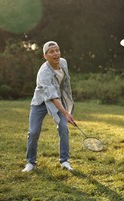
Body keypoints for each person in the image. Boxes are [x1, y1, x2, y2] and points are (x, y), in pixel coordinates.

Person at [22, 41, 76, 172]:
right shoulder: (44, 73)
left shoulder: (63, 63)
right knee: (33, 132)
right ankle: (31, 163)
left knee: (63, 128)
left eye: (57, 50)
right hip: (41, 102)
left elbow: (64, 85)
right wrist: (65, 113)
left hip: (57, 99)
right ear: (45, 56)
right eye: (51, 52)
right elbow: (52, 96)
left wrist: (67, 107)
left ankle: (64, 161)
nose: (56, 53)